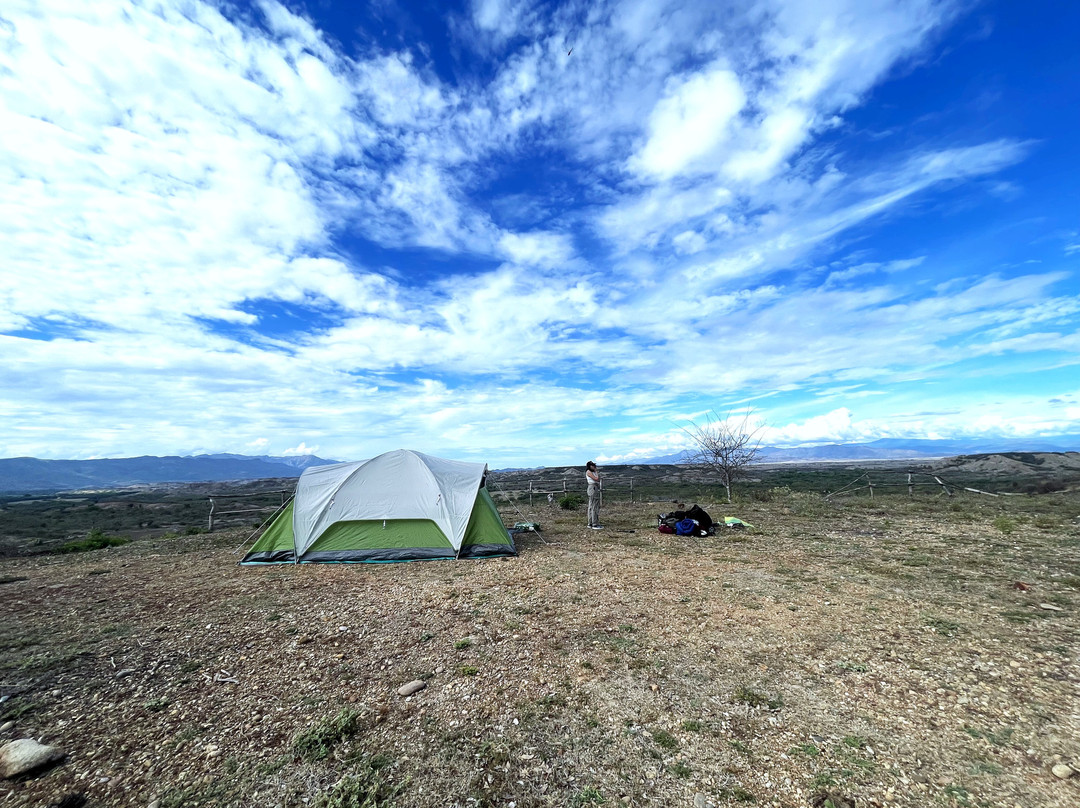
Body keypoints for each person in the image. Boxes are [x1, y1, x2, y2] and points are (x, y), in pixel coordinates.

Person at [585, 461, 602, 529]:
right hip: (593, 488)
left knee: (592, 505)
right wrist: (596, 472)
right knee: (594, 506)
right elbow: (597, 479)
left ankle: (591, 523)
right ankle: (594, 523)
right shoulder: (589, 472)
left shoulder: (592, 472)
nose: (594, 467)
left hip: (594, 487)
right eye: (593, 466)